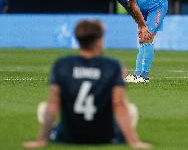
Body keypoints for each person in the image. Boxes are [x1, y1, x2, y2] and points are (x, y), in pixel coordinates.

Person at [23, 20, 152, 149]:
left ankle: (55, 132)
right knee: (131, 110)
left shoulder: (62, 64)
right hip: (104, 136)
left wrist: (41, 141)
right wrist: (134, 142)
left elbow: (53, 105)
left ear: (78, 40)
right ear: (98, 41)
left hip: (68, 136)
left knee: (43, 107)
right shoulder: (112, 66)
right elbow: (119, 105)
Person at [96, 0, 168, 83]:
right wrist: (139, 25)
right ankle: (137, 75)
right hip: (145, 9)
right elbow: (128, 7)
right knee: (141, 39)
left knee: (147, 37)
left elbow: (134, 6)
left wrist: (143, 25)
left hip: (157, 4)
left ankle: (143, 76)